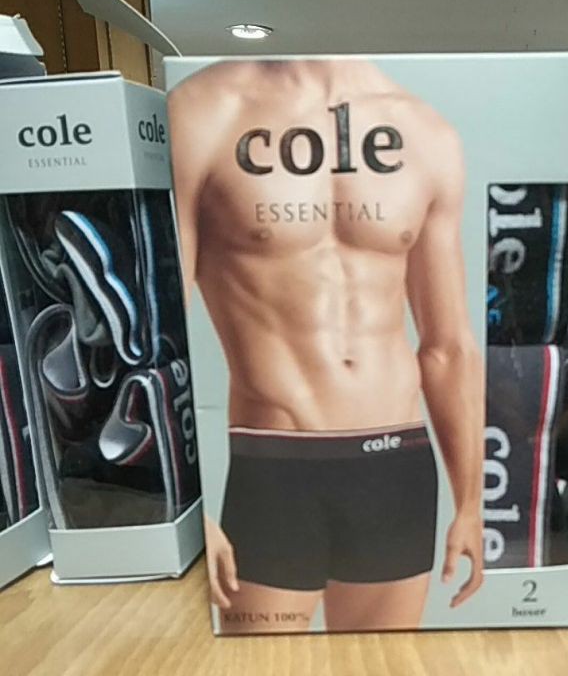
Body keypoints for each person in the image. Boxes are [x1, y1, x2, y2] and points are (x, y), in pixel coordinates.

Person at [168, 59, 484, 632]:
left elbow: (447, 346)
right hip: (273, 463)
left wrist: (471, 501)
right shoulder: (202, 112)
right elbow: (160, 341)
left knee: (383, 669)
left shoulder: (426, 132)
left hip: (395, 463)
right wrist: (188, 512)